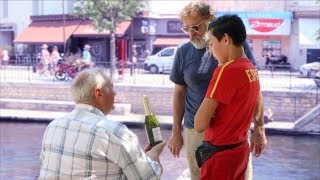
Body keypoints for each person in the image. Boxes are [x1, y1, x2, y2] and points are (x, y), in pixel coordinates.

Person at [168, 2, 267, 180]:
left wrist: (259, 128)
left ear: (210, 19)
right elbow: (179, 94)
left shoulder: (234, 52)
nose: (191, 33)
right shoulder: (183, 52)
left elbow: (254, 89)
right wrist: (176, 131)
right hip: (195, 132)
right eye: (186, 28)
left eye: (196, 27)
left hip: (231, 137)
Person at [39, 68, 166, 179]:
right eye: (111, 87)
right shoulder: (116, 133)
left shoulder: (53, 126)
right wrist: (154, 154)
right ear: (99, 93)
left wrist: (136, 158)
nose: (115, 93)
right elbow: (150, 178)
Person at [194, 14, 262, 180]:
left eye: (211, 43)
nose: (211, 50)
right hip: (239, 151)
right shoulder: (251, 69)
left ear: (225, 39)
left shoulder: (226, 71)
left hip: (220, 157)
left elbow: (199, 124)